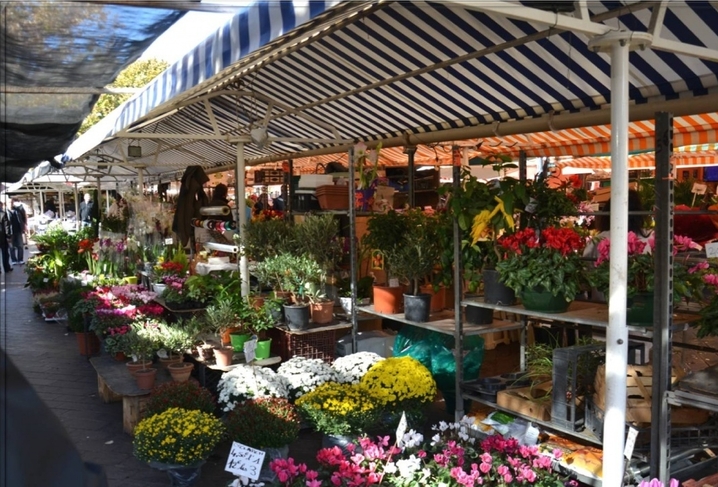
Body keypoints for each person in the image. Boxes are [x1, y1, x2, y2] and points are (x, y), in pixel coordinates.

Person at [8, 198, 26, 265]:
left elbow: (23, 217)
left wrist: (24, 226)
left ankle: (20, 259)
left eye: (12, 202)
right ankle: (13, 260)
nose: (11, 203)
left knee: (20, 246)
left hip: (18, 230)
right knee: (11, 247)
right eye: (9, 202)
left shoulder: (18, 210)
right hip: (10, 232)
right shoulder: (6, 211)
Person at [0, 201, 13, 273]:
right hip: (2, 236)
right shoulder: (3, 213)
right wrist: (8, 236)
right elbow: (6, 225)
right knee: (5, 253)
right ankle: (6, 268)